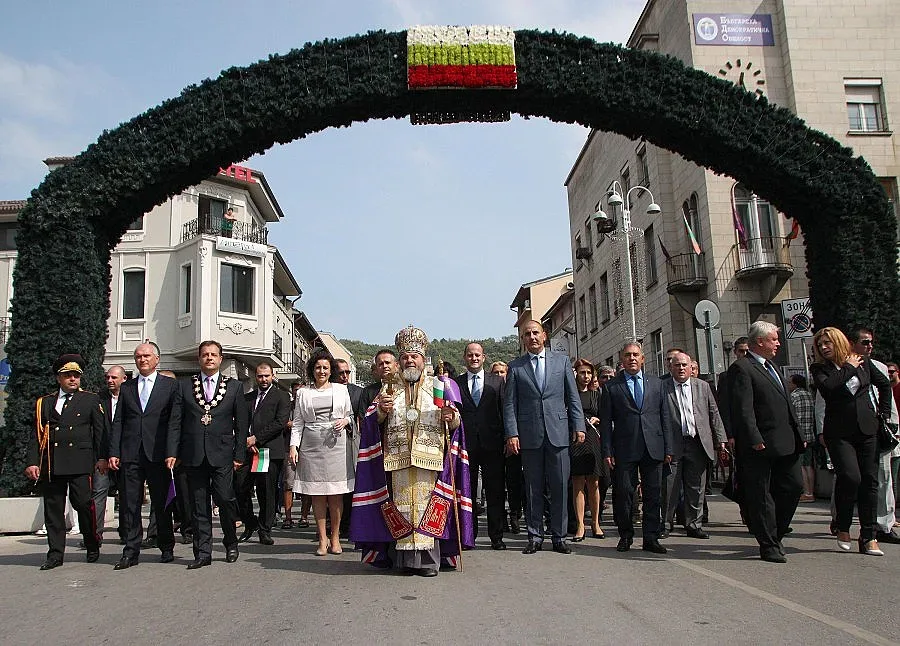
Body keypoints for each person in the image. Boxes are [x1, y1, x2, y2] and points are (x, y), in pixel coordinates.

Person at [351, 325, 474, 576]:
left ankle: (429, 562)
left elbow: (456, 421)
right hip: (396, 460)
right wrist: (382, 411)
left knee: (430, 509)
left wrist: (450, 417)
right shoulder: (388, 390)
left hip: (430, 458)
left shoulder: (438, 386)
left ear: (422, 360)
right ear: (400, 361)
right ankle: (404, 561)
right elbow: (372, 421)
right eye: (405, 356)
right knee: (402, 509)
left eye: (414, 356)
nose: (410, 360)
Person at [503, 320, 585, 555]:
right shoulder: (516, 367)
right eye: (527, 334)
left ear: (545, 335)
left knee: (560, 486)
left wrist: (578, 425)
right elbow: (510, 404)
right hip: (529, 437)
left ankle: (559, 537)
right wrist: (512, 433)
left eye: (535, 333)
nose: (532, 337)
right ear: (523, 340)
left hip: (558, 434)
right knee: (532, 488)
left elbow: (573, 397)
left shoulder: (561, 362)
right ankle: (535, 535)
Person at [728, 321, 803, 563]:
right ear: (759, 341)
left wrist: (798, 434)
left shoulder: (773, 366)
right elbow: (743, 408)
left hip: (786, 441)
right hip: (759, 444)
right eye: (774, 339)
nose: (778, 343)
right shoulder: (742, 368)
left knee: (793, 487)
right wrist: (753, 438)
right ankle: (768, 544)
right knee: (761, 495)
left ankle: (777, 531)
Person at [25, 354, 108, 570]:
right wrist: (33, 462)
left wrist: (101, 458)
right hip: (52, 464)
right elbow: (36, 434)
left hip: (79, 462)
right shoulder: (45, 402)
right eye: (67, 375)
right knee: (53, 511)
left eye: (76, 376)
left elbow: (99, 432)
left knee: (83, 504)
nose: (72, 379)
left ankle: (91, 542)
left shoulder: (90, 399)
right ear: (58, 378)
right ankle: (55, 554)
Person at [174, 340, 249, 569]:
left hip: (223, 454)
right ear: (199, 359)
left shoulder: (234, 387)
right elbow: (176, 421)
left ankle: (230, 542)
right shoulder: (185, 386)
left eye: (213, 354)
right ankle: (203, 552)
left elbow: (242, 424)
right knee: (199, 505)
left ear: (220, 359)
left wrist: (239, 454)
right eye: (205, 354)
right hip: (194, 453)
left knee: (226, 499)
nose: (209, 358)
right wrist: (173, 452)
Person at [106, 343, 180, 569]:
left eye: (147, 356)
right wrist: (114, 452)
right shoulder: (127, 387)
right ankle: (130, 551)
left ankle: (166, 546)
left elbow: (174, 421)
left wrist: (171, 452)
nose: (142, 360)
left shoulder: (170, 386)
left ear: (157, 359)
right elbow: (118, 421)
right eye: (138, 356)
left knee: (161, 504)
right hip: (131, 453)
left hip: (158, 454)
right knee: (130, 504)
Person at [601, 342, 672, 554]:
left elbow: (665, 417)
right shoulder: (611, 386)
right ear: (621, 360)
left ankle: (651, 537)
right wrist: (607, 451)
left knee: (653, 494)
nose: (632, 358)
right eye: (627, 355)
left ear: (643, 358)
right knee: (624, 493)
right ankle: (625, 535)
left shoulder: (657, 384)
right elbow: (606, 423)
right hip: (624, 448)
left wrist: (669, 447)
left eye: (635, 355)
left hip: (653, 447)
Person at [289, 350, 354, 556]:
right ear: (312, 369)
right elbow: (298, 422)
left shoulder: (341, 390)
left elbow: (350, 415)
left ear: (331, 370)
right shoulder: (303, 393)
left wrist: (345, 421)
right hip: (311, 444)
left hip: (336, 445)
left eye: (325, 367)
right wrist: (293, 446)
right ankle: (322, 538)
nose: (322, 371)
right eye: (318, 367)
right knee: (317, 494)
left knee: (336, 495)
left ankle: (335, 537)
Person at [662, 352, 727, 539]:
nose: (681, 368)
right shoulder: (662, 387)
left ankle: (693, 524)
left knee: (696, 487)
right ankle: (666, 524)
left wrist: (720, 438)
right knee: (669, 486)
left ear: (691, 368)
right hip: (673, 445)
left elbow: (714, 413)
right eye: (677, 365)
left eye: (684, 365)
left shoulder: (703, 386)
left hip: (698, 443)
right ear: (670, 368)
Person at [847, 326, 900, 545]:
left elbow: (887, 395)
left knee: (882, 477)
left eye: (871, 342)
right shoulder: (842, 365)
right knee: (849, 477)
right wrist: (822, 430)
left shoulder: (877, 367)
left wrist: (891, 423)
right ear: (853, 343)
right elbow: (826, 402)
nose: (870, 346)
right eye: (865, 342)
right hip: (849, 431)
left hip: (877, 429)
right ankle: (839, 519)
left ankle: (883, 525)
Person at [455, 342, 507, 550]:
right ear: (464, 358)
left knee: (495, 491)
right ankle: (469, 535)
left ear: (484, 357)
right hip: (467, 443)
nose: (474, 358)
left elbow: (505, 410)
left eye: (477, 355)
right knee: (467, 491)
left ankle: (497, 536)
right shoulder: (455, 383)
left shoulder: (498, 381)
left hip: (493, 442)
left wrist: (507, 437)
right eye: (470, 355)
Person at [236, 362, 291, 546]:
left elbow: (280, 422)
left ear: (272, 375)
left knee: (266, 492)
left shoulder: (282, 396)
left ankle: (265, 529)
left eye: (266, 375)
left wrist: (256, 439)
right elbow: (241, 422)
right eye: (260, 376)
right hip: (247, 450)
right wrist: (246, 440)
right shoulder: (247, 397)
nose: (263, 379)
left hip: (267, 451)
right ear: (255, 376)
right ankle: (250, 522)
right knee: (239, 487)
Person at [569, 359, 606, 541]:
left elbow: (604, 415)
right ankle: (580, 525)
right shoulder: (570, 394)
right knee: (577, 483)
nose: (586, 376)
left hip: (592, 438)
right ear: (576, 374)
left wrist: (597, 420)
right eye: (582, 373)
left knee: (594, 483)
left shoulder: (596, 394)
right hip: (576, 439)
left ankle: (596, 523)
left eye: (589, 373)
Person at [334, 358, 365, 538]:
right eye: (341, 373)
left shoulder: (358, 392)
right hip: (330, 445)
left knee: (352, 485)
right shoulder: (327, 390)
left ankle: (350, 524)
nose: (345, 376)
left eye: (347, 372)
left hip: (352, 443)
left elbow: (361, 417)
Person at [96, 365, 126, 546]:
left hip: (125, 456)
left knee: (127, 496)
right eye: (108, 377)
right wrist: (100, 457)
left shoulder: (132, 398)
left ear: (124, 379)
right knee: (98, 494)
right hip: (103, 456)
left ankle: (126, 532)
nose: (110, 381)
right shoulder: (98, 399)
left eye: (114, 377)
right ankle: (95, 534)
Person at [788, 374, 817, 502]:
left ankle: (806, 492)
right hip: (810, 433)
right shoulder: (809, 395)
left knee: (800, 465)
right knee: (808, 464)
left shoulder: (793, 396)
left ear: (795, 384)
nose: (788, 384)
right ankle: (810, 491)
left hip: (798, 435)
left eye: (790, 382)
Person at [281, 381, 305, 529]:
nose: (298, 393)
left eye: (301, 390)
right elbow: (280, 420)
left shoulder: (308, 405)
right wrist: (289, 423)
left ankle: (304, 517)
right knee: (288, 483)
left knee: (307, 485)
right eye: (296, 390)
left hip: (307, 448)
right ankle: (288, 517)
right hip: (288, 448)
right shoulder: (286, 405)